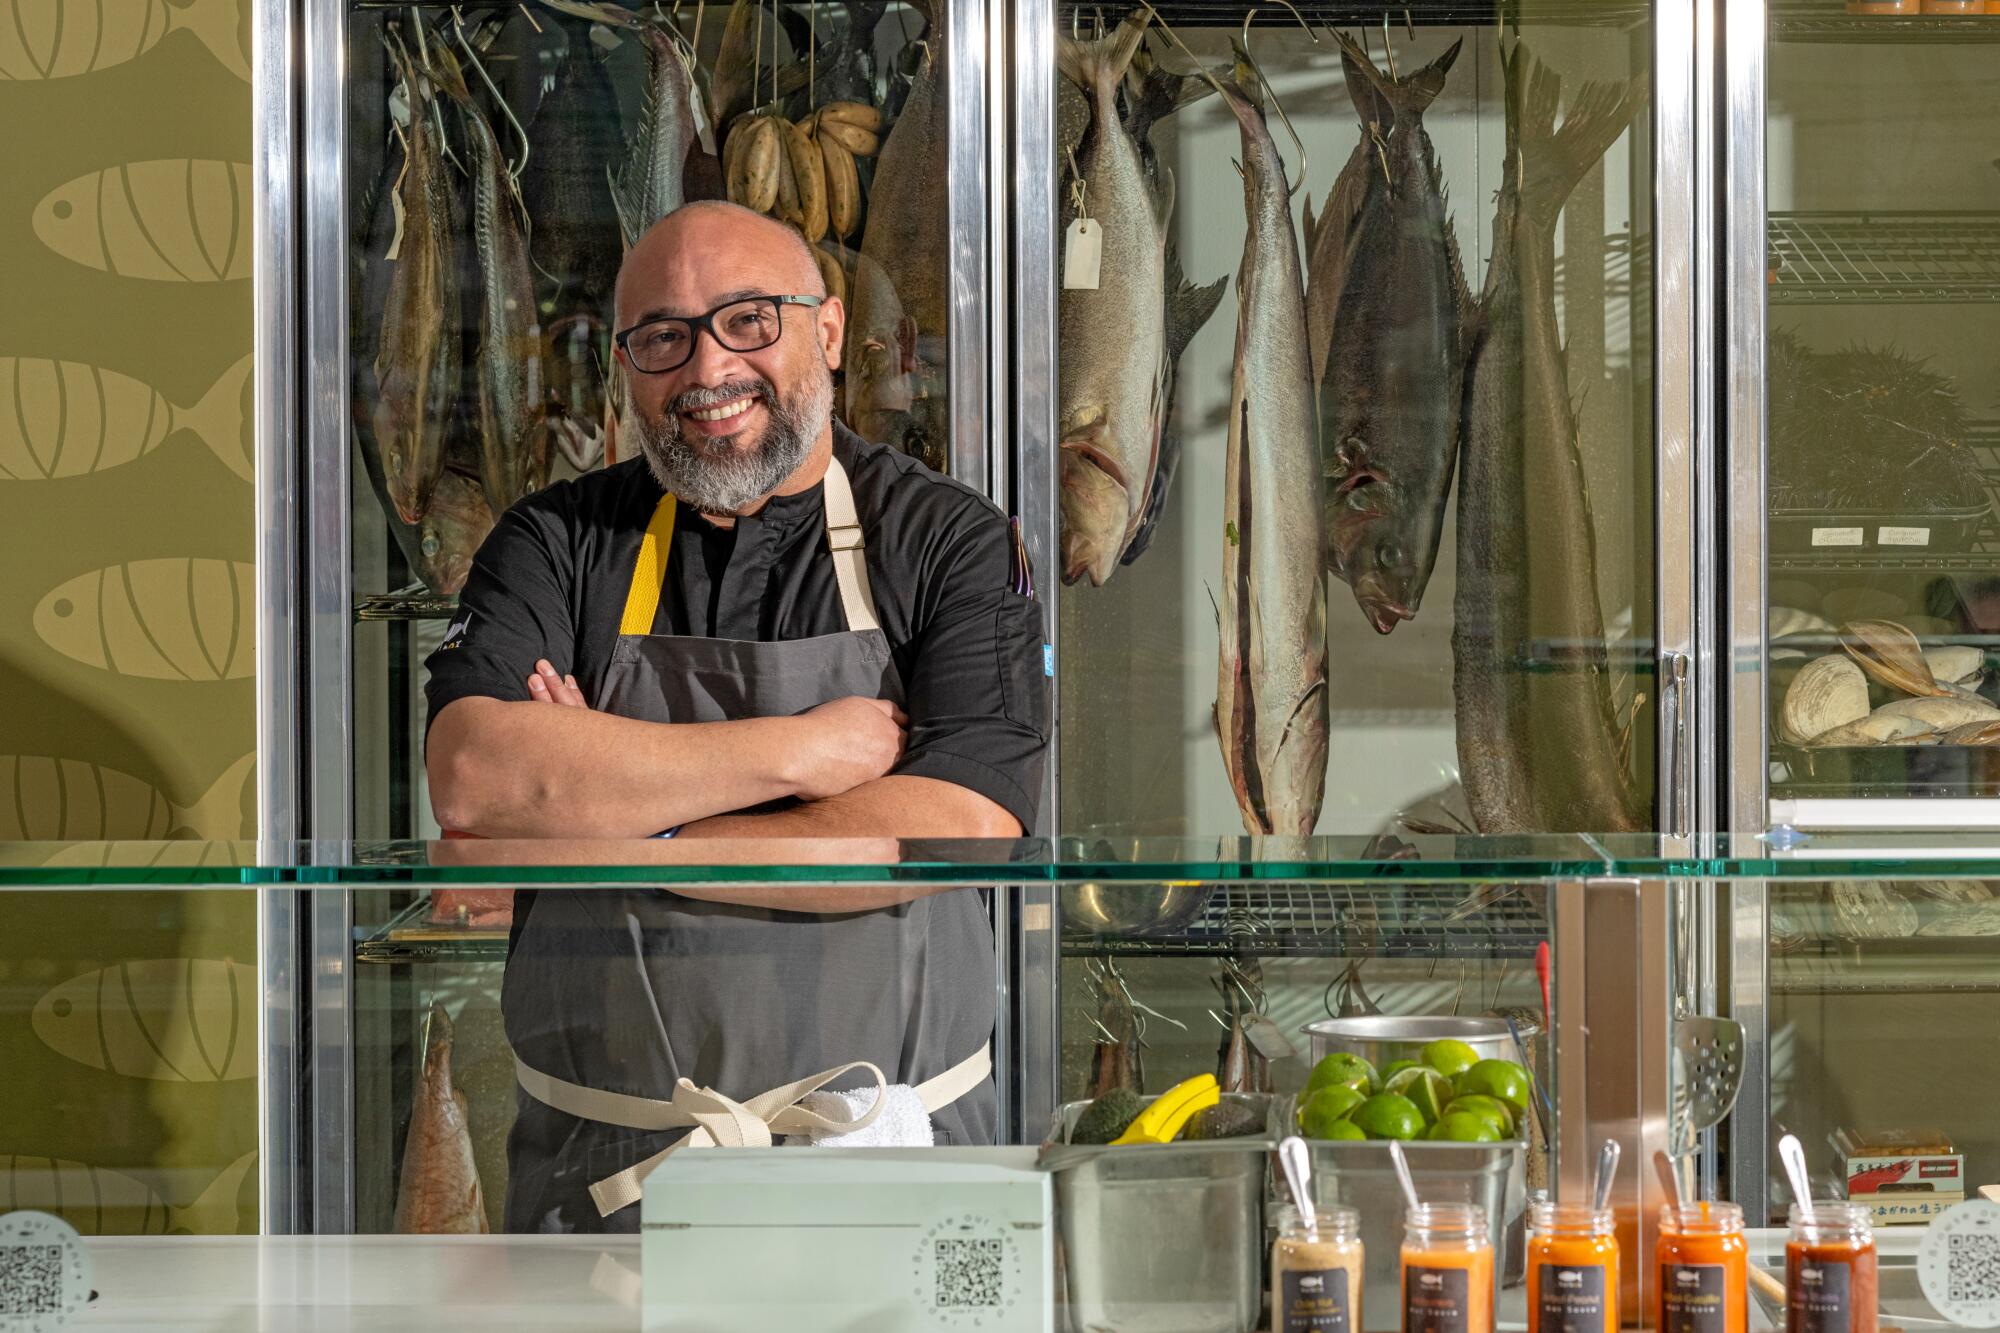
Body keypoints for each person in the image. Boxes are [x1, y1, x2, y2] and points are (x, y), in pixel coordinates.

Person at [423, 200, 1049, 1233]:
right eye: (663, 336)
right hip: (611, 1180)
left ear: (831, 331)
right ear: (626, 363)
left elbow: (960, 828)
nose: (708, 369)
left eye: (749, 319)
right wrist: (808, 752)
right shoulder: (557, 541)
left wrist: (618, 827)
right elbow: (479, 783)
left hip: (892, 1164)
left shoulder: (950, 541)